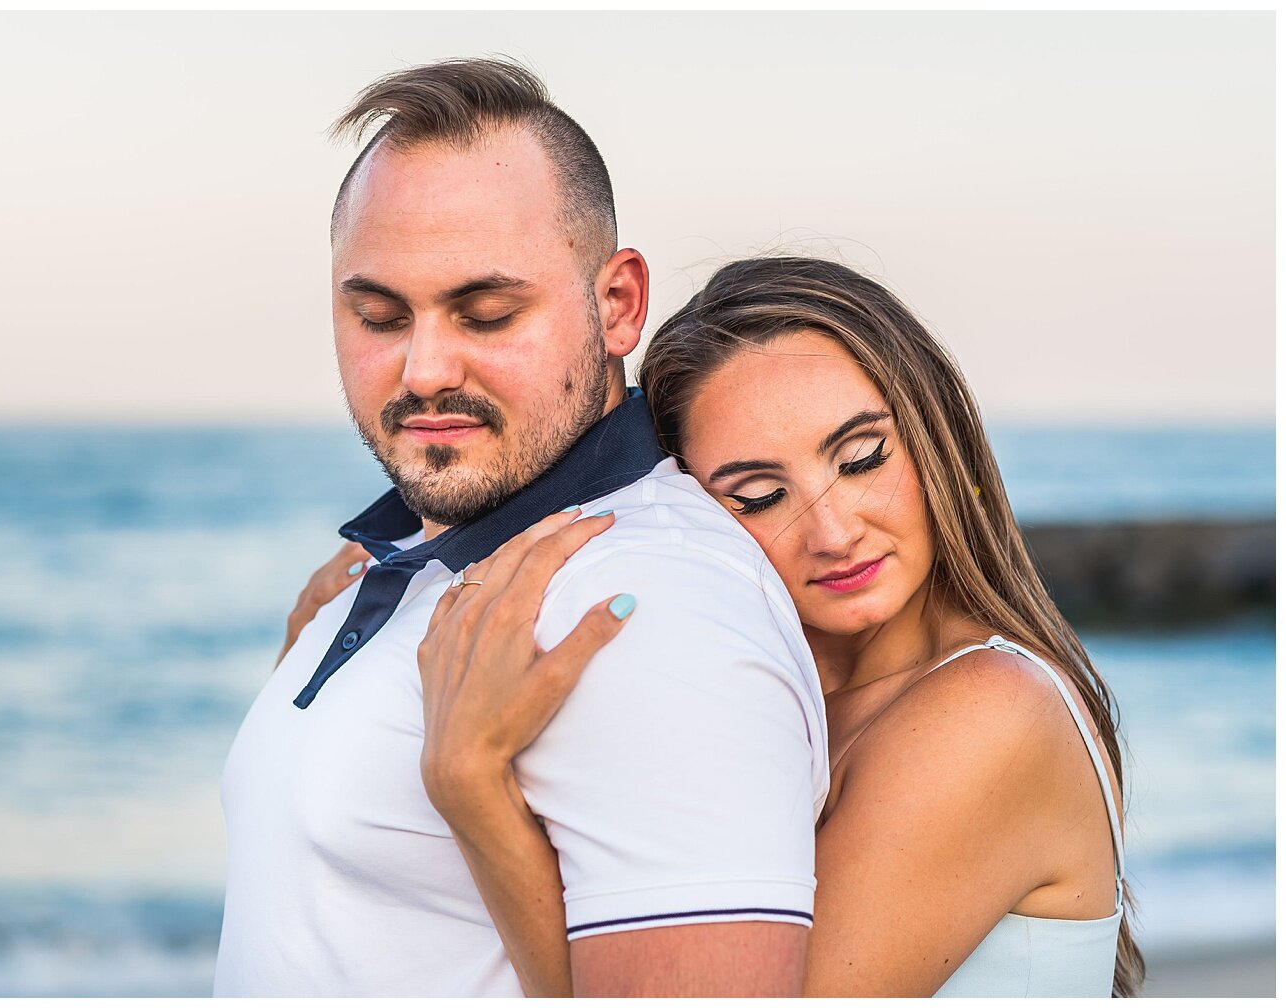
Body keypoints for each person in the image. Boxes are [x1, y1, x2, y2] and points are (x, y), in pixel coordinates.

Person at [283, 257, 1145, 996]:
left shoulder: (991, 712)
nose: (832, 530)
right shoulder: (769, 701)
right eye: (757, 496)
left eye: (861, 458)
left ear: (935, 436)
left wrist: (473, 787)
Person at [213, 60, 829, 997]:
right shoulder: (417, 555)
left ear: (617, 305)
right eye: (378, 314)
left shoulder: (644, 607)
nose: (422, 369)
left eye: (486, 313)